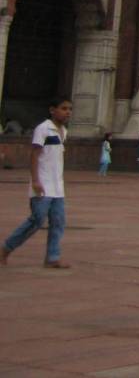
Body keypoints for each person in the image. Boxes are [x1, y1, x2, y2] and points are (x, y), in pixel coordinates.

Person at [1, 97, 72, 269]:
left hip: (57, 186)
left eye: (69, 109)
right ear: (52, 110)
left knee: (58, 222)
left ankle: (52, 257)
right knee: (36, 220)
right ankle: (5, 248)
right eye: (63, 108)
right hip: (42, 183)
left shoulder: (63, 131)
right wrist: (35, 180)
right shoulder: (43, 129)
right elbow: (35, 154)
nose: (67, 112)